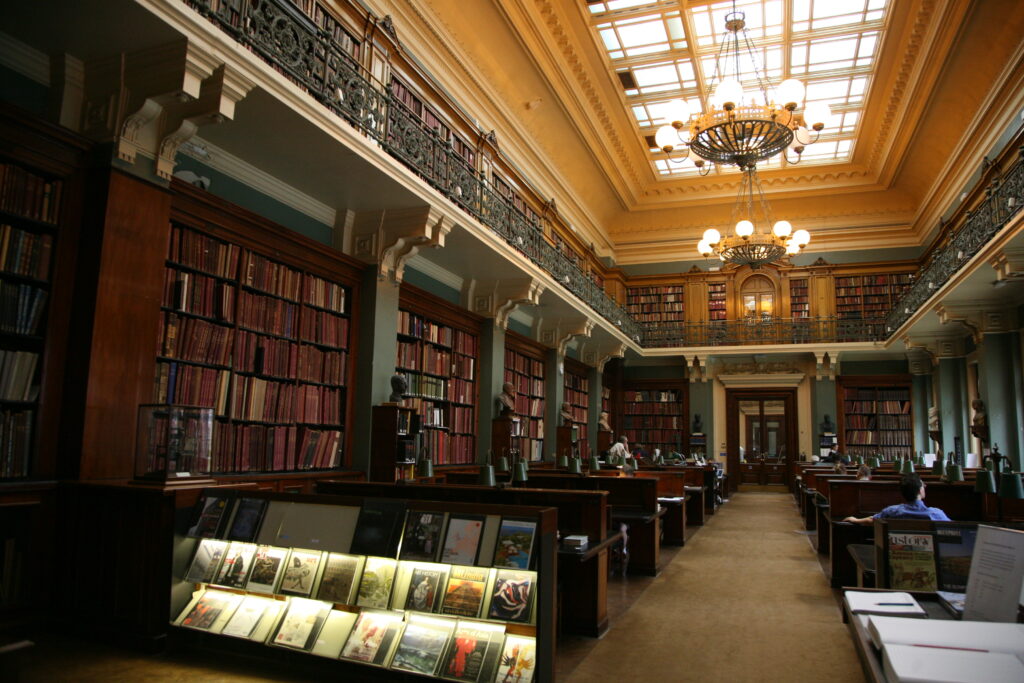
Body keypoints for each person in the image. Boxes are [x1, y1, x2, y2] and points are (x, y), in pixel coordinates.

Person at [843, 474, 951, 525]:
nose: (925, 486)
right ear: (919, 491)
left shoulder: (892, 511)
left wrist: (855, 520)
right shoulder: (936, 514)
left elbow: (871, 520)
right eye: (923, 485)